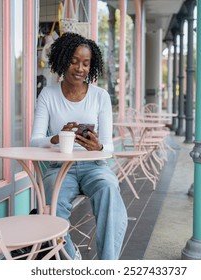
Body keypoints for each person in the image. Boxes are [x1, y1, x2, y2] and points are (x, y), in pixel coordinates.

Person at [30, 32, 128, 260]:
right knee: (51, 205)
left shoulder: (100, 96)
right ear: (63, 60)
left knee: (109, 191)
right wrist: (57, 137)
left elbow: (109, 147)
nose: (80, 68)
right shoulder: (48, 94)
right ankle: (70, 258)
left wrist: (98, 147)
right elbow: (35, 140)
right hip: (59, 167)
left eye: (86, 63)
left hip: (94, 165)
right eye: (74, 61)